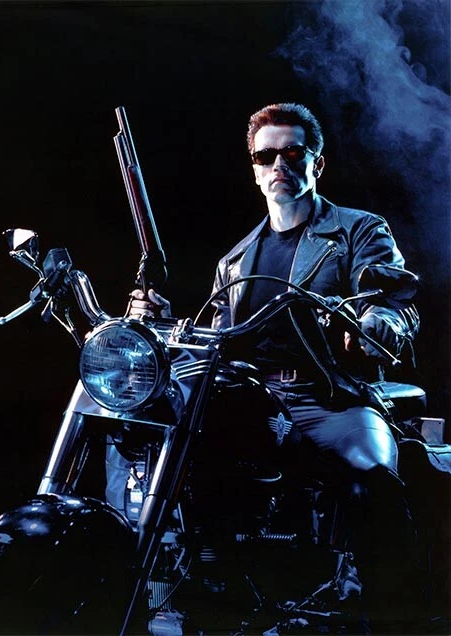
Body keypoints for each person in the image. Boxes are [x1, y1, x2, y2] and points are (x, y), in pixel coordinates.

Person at [127, 103, 421, 632]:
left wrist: (378, 322)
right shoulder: (235, 260)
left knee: (370, 476)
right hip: (253, 404)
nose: (278, 164)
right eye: (266, 156)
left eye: (292, 153)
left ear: (317, 163)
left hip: (328, 399)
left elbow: (393, 297)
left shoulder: (357, 230)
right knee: (166, 459)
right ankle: (204, 592)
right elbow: (215, 339)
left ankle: (400, 617)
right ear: (255, 169)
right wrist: (164, 322)